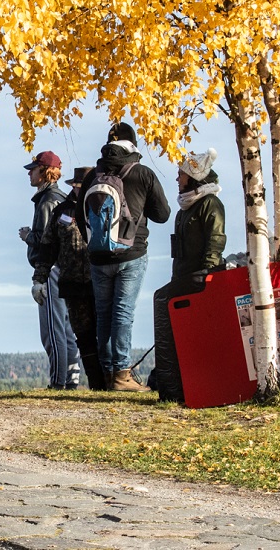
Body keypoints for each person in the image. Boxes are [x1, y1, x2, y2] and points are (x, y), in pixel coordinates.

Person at [78, 122, 171, 392]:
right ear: (133, 144)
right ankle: (122, 374)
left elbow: (79, 218)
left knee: (104, 314)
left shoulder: (92, 176)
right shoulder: (142, 173)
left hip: (97, 258)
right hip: (132, 254)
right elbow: (162, 215)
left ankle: (108, 374)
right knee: (123, 313)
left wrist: (96, 244)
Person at [152, 148, 225, 404]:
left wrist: (207, 278)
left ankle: (174, 388)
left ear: (194, 176)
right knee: (165, 303)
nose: (178, 179)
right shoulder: (185, 209)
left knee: (161, 300)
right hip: (184, 276)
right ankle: (172, 387)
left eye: (181, 174)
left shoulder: (209, 204)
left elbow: (215, 241)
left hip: (201, 277)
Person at [32, 166, 105, 390]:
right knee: (81, 335)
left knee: (102, 333)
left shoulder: (102, 208)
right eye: (76, 184)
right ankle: (94, 383)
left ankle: (107, 381)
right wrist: (39, 279)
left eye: (81, 185)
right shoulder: (61, 211)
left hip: (99, 282)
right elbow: (47, 247)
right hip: (71, 282)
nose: (77, 188)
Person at [22, 150, 81, 389]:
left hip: (51, 270)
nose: (29, 173)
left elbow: (48, 240)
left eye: (33, 169)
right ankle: (71, 379)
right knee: (66, 328)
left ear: (45, 172)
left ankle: (58, 381)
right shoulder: (59, 199)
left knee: (52, 329)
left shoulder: (48, 201)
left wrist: (28, 237)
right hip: (64, 269)